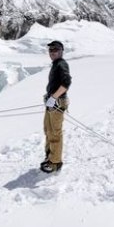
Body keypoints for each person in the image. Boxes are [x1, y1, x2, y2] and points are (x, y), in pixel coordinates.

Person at [41, 41, 72, 173]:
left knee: (55, 133)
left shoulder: (61, 64)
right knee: (48, 130)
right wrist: (49, 96)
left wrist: (53, 98)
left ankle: (55, 163)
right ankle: (50, 157)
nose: (52, 52)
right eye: (50, 50)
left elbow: (66, 83)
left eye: (55, 49)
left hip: (57, 103)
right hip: (52, 103)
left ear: (61, 51)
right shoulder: (56, 64)